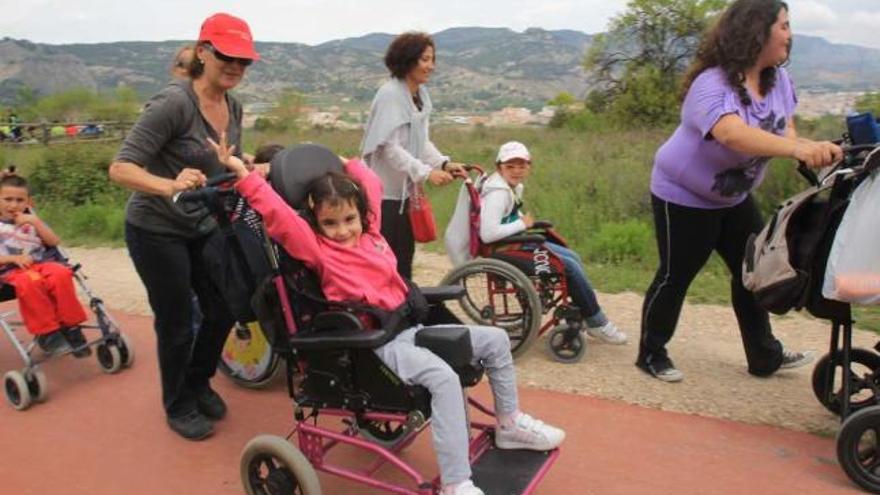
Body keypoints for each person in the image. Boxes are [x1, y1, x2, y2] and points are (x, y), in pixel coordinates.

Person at [211, 135, 565, 495]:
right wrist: (244, 173)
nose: (343, 229)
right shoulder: (317, 251)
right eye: (330, 223)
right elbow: (281, 218)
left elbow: (372, 184)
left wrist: (341, 161)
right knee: (444, 379)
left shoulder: (373, 234)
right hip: (375, 344)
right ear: (317, 225)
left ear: (361, 215)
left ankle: (508, 425)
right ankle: (456, 483)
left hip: (407, 327)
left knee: (495, 339)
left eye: (349, 218)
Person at [636, 0, 843, 383]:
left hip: (733, 197)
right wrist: (796, 148)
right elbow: (731, 133)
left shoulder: (778, 80)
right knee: (676, 276)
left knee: (752, 271)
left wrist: (807, 147)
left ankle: (764, 356)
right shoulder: (711, 84)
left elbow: (785, 127)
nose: (789, 33)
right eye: (782, 25)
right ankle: (651, 353)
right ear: (757, 30)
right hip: (682, 196)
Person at [108, 12, 259, 440]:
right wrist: (168, 184)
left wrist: (244, 167)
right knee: (176, 322)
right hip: (156, 229)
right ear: (204, 51)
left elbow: (226, 161)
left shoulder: (233, 105)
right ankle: (177, 404)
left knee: (225, 306)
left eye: (244, 61)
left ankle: (197, 382)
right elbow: (120, 168)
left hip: (204, 223)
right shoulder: (173, 103)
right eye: (228, 56)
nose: (236, 67)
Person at [474, 141, 627, 344]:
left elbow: (508, 216)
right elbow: (488, 234)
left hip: (512, 243)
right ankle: (597, 322)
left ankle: (583, 310)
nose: (517, 171)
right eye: (510, 166)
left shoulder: (509, 186)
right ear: (499, 167)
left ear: (529, 166)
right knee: (568, 266)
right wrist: (522, 224)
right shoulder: (498, 193)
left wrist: (522, 222)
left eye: (522, 166)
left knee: (572, 257)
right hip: (503, 248)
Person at [361, 32, 465, 279]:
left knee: (404, 260)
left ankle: (405, 311)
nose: (431, 66)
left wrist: (444, 162)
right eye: (425, 59)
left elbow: (421, 141)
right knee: (387, 262)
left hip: (404, 195)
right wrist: (426, 173)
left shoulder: (419, 96)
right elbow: (389, 147)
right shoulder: (391, 95)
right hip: (384, 196)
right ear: (408, 60)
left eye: (432, 59)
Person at [0, 175, 90, 356]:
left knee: (61, 273)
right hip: (12, 271)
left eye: (19, 200)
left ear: (28, 202)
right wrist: (13, 259)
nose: (13, 205)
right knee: (30, 281)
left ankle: (71, 326)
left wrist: (34, 221)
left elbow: (54, 241)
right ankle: (47, 333)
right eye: (8, 199)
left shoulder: (32, 220)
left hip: (42, 263)